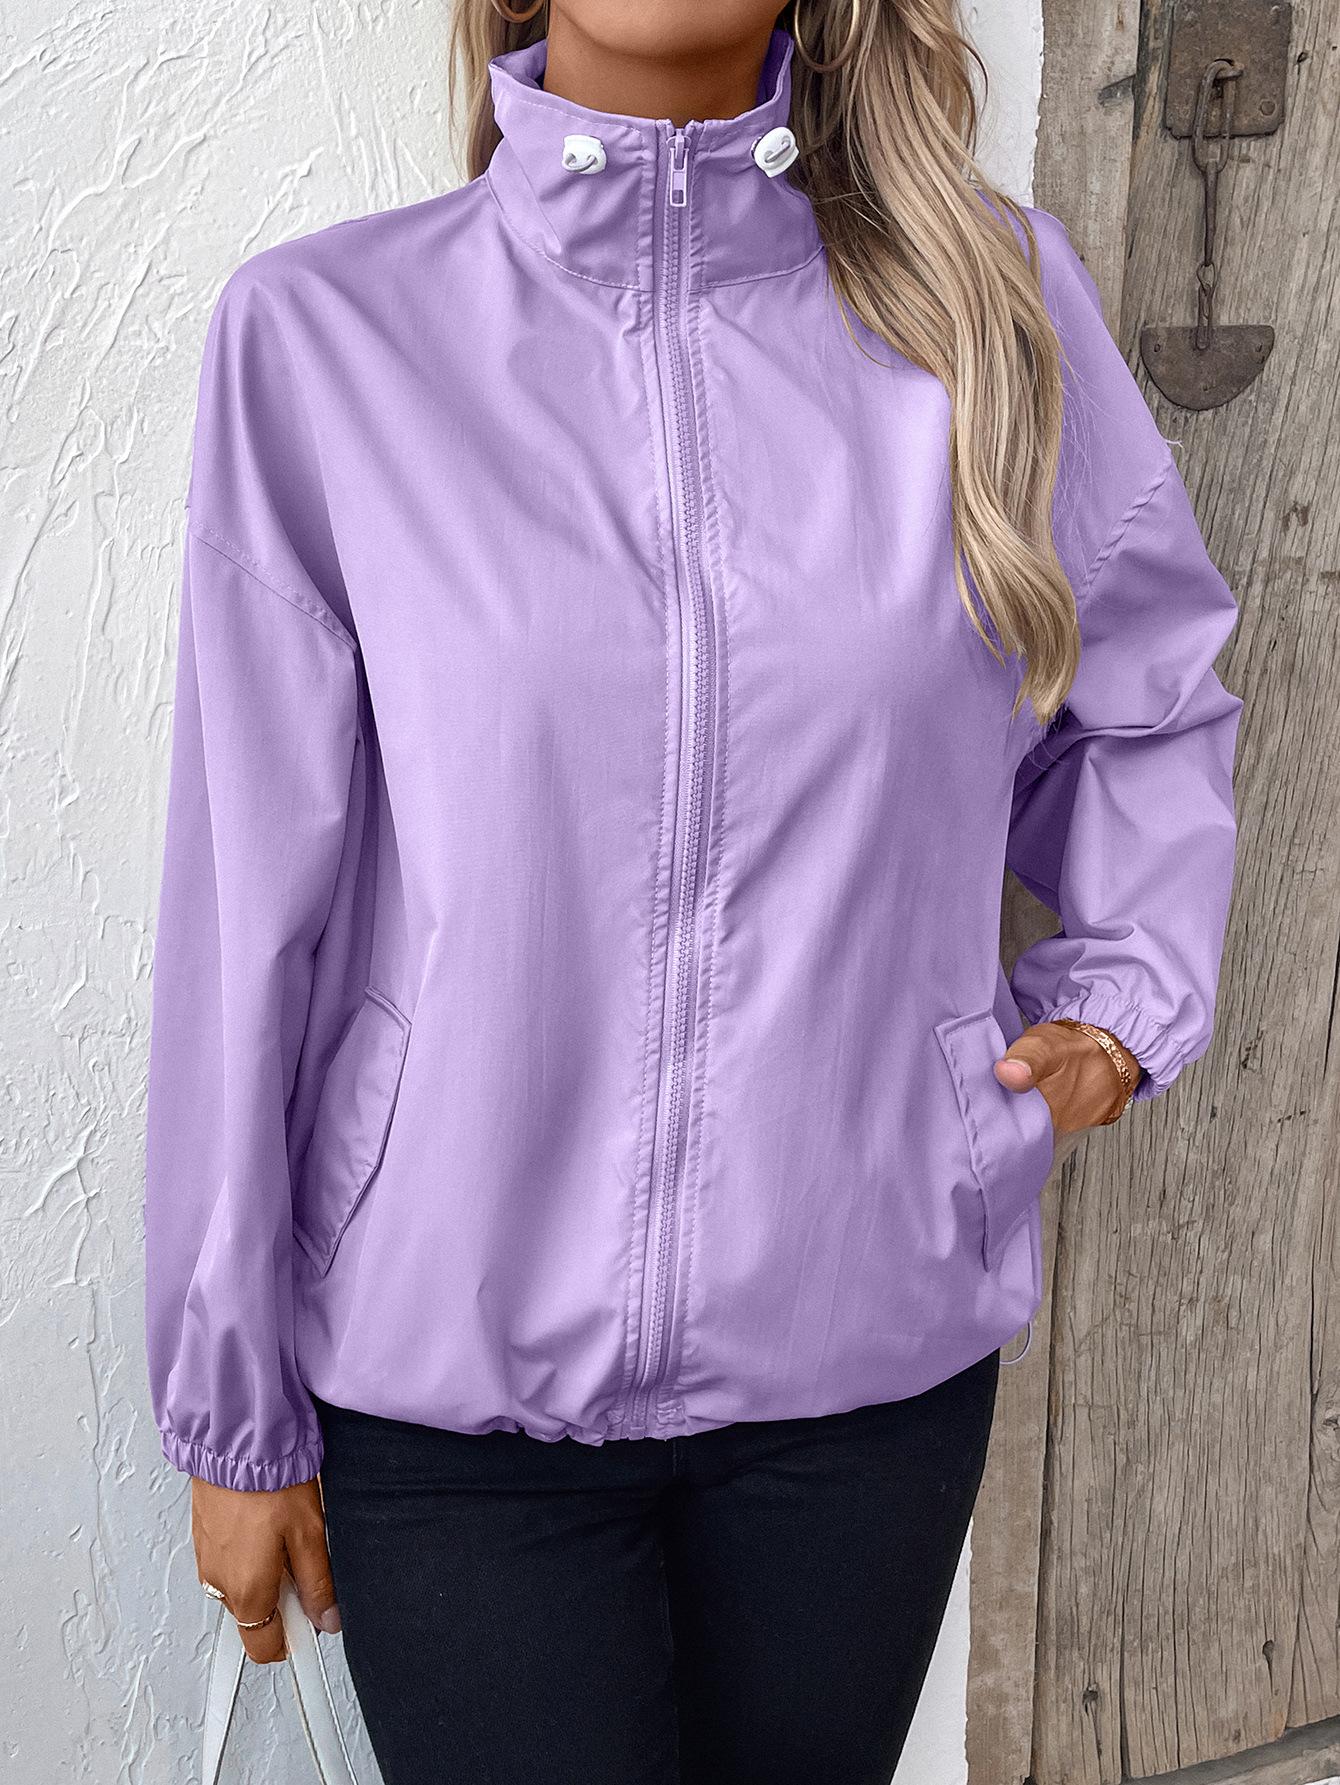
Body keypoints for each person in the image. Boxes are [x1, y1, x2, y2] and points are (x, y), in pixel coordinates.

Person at [143, 2, 1243, 1780]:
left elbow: (1151, 701)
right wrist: (232, 1405)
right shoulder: (328, 340)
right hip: (453, 1392)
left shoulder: (996, 308)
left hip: (866, 1375)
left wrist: (1123, 996)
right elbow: (243, 901)